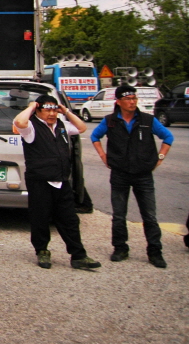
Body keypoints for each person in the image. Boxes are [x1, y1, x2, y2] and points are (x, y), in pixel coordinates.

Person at [89, 83, 174, 268]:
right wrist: (103, 156)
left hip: (143, 175)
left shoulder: (147, 120)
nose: (132, 102)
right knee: (119, 215)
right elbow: (95, 137)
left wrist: (160, 157)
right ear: (118, 102)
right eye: (128, 99)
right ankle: (120, 248)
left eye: (134, 98)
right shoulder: (110, 121)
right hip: (119, 174)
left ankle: (155, 251)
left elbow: (168, 137)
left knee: (149, 216)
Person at [13, 95, 101, 270]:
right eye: (47, 110)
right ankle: (42, 250)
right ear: (38, 110)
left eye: (54, 110)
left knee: (70, 219)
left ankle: (78, 256)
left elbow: (81, 127)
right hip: (40, 180)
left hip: (61, 180)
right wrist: (31, 107)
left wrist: (66, 111)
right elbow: (19, 122)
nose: (52, 114)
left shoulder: (62, 126)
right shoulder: (31, 127)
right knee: (40, 218)